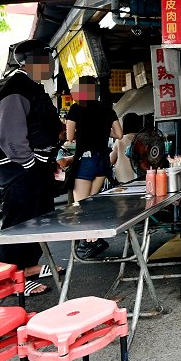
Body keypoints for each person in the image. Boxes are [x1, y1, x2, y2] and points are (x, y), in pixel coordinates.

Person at [0, 39, 64, 296]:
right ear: (33, 62)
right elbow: (10, 136)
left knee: (38, 216)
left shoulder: (33, 87)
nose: (52, 66)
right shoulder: (16, 89)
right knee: (20, 220)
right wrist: (29, 163)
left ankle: (30, 267)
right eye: (48, 60)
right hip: (20, 166)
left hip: (35, 165)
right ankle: (12, 278)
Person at [66, 76, 122, 259]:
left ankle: (90, 241)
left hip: (86, 159)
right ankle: (93, 239)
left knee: (81, 204)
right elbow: (119, 134)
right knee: (91, 201)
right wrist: (104, 130)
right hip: (102, 160)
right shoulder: (107, 109)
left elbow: (69, 137)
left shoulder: (76, 109)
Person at [110, 112, 143, 184]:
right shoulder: (144, 139)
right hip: (141, 177)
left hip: (123, 179)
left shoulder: (119, 140)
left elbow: (111, 160)